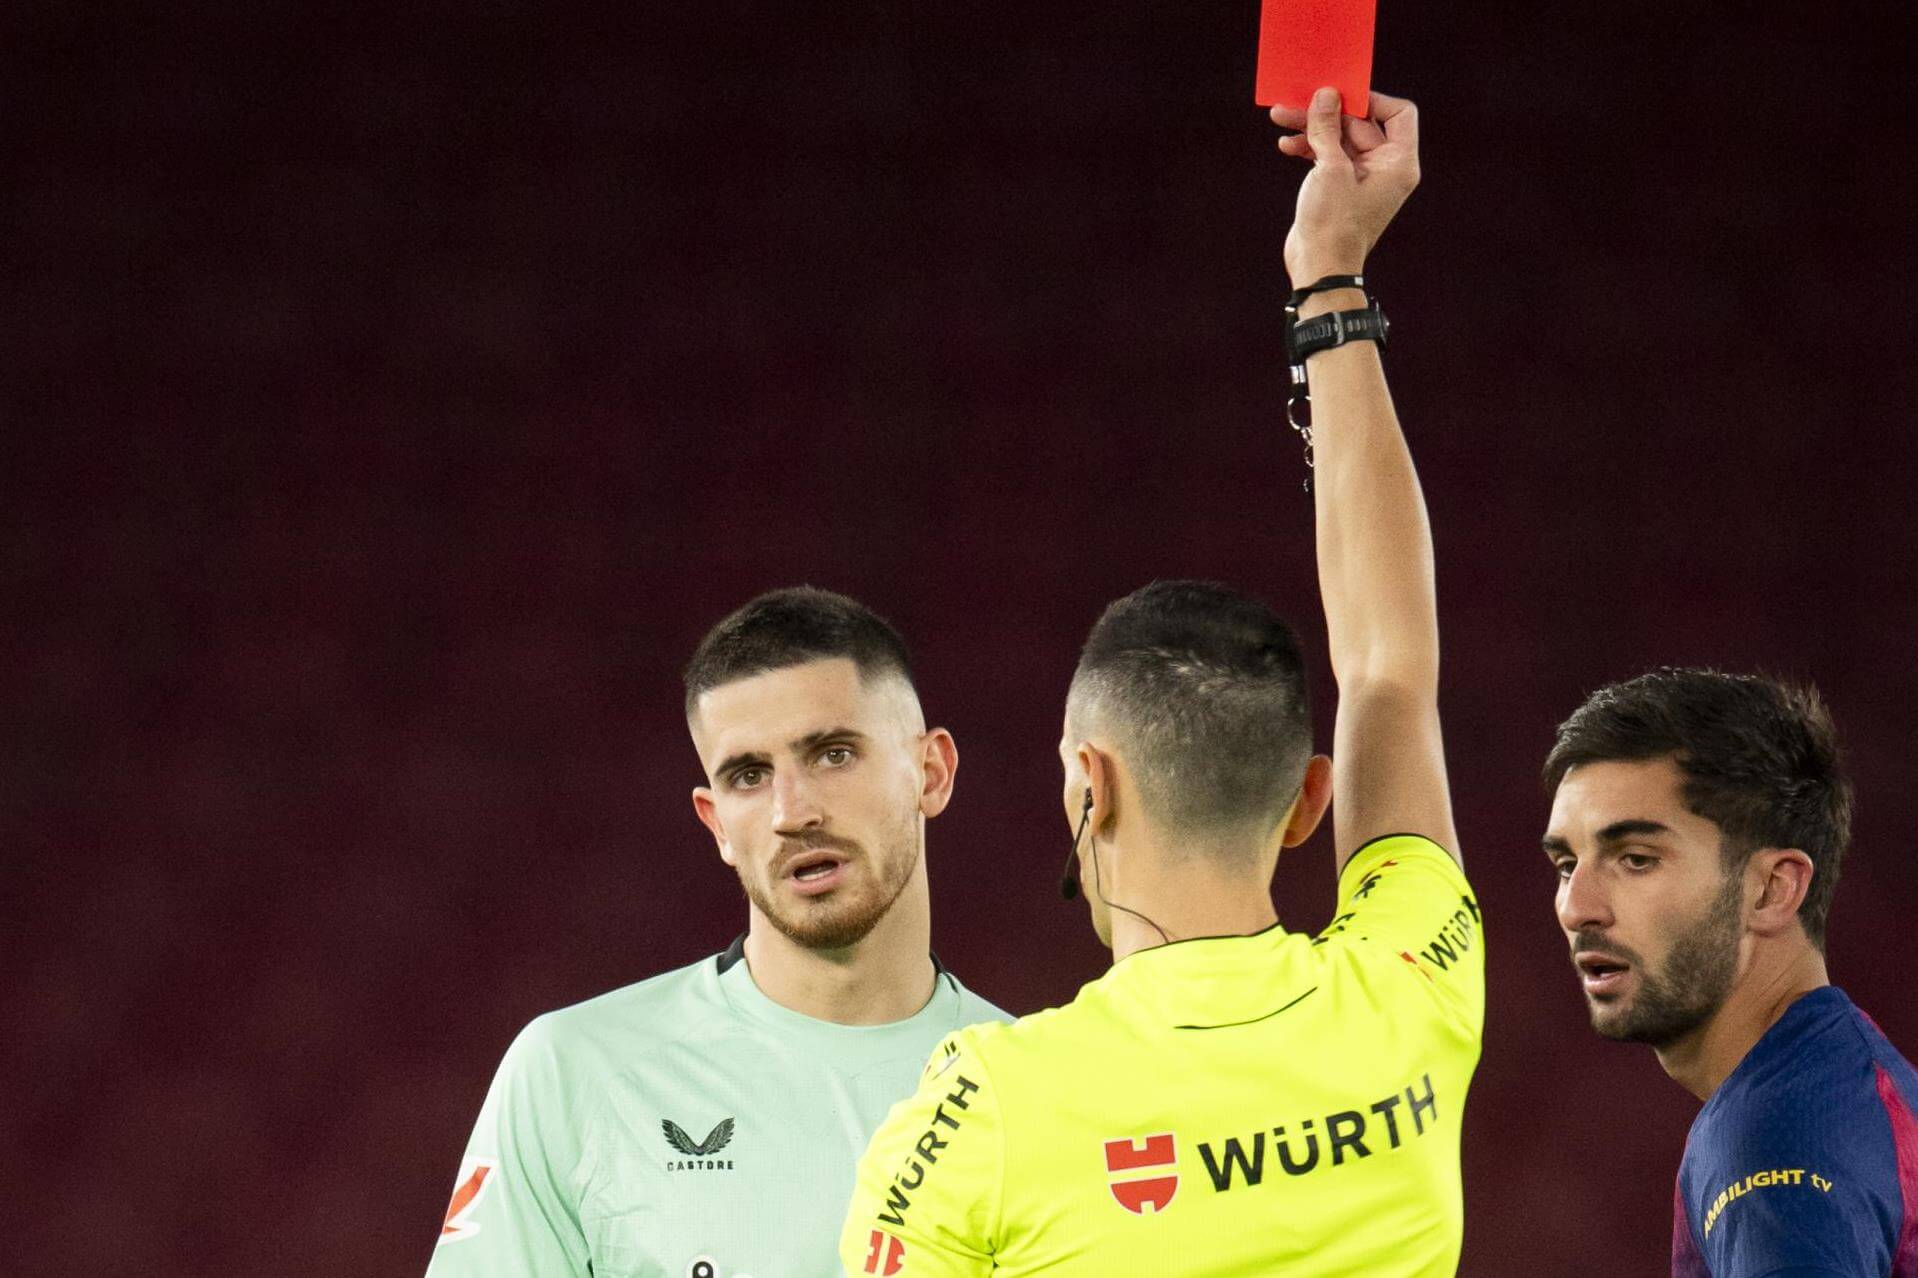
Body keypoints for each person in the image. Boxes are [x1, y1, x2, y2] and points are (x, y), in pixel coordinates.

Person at [840, 87, 1484, 1276]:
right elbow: (1390, 668)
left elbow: (1386, 669)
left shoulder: (978, 1113)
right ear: (1308, 800)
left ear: (1089, 783)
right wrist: (1329, 270)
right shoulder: (1409, 991)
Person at [426, 587, 1007, 1278]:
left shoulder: (1043, 1088)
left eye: (833, 754)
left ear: (931, 773)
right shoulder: (574, 1073)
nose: (793, 811)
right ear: (717, 823)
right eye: (749, 776)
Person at [1543, 667, 1918, 1276]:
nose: (1576, 907)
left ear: (1771, 890)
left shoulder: (1774, 1144)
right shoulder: (1843, 1085)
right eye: (1566, 863)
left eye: (1636, 859)